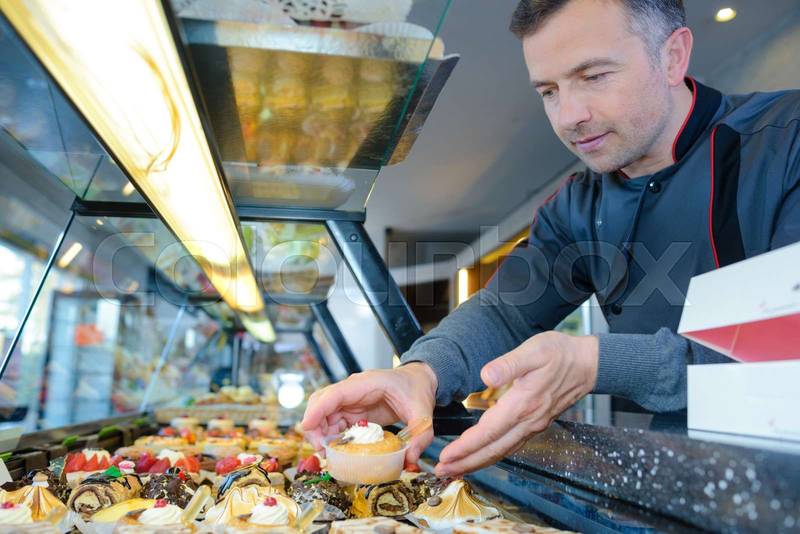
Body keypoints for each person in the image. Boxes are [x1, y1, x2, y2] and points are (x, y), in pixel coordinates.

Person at [303, 0, 800, 477]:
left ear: (672, 56)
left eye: (594, 76)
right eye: (548, 91)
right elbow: (504, 312)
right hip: (677, 482)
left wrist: (596, 362)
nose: (568, 116)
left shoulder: (785, 142)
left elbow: (784, 352)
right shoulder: (577, 205)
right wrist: (419, 374)